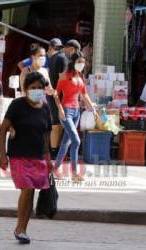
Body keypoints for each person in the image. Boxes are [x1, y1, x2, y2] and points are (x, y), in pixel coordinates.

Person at [0, 72, 58, 244]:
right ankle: (19, 227)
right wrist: (3, 155)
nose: (37, 90)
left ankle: (23, 229)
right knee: (27, 188)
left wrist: (49, 160)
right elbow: (3, 129)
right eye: (33, 88)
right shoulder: (17, 105)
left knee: (31, 191)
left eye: (40, 88)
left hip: (39, 157)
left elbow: (47, 135)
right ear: (25, 89)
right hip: (18, 155)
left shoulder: (46, 108)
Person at [53, 51, 98, 182]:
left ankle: (55, 168)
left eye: (83, 62)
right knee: (76, 141)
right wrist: (60, 109)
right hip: (66, 111)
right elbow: (56, 94)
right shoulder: (64, 76)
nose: (82, 64)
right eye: (79, 62)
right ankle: (74, 172)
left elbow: (85, 95)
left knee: (66, 142)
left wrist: (93, 109)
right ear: (73, 62)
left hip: (77, 111)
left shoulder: (80, 77)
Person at [47, 38, 68, 159]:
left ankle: (54, 151)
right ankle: (55, 152)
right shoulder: (62, 58)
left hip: (52, 94)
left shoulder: (53, 59)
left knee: (56, 123)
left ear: (51, 48)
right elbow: (63, 78)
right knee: (57, 124)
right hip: (58, 95)